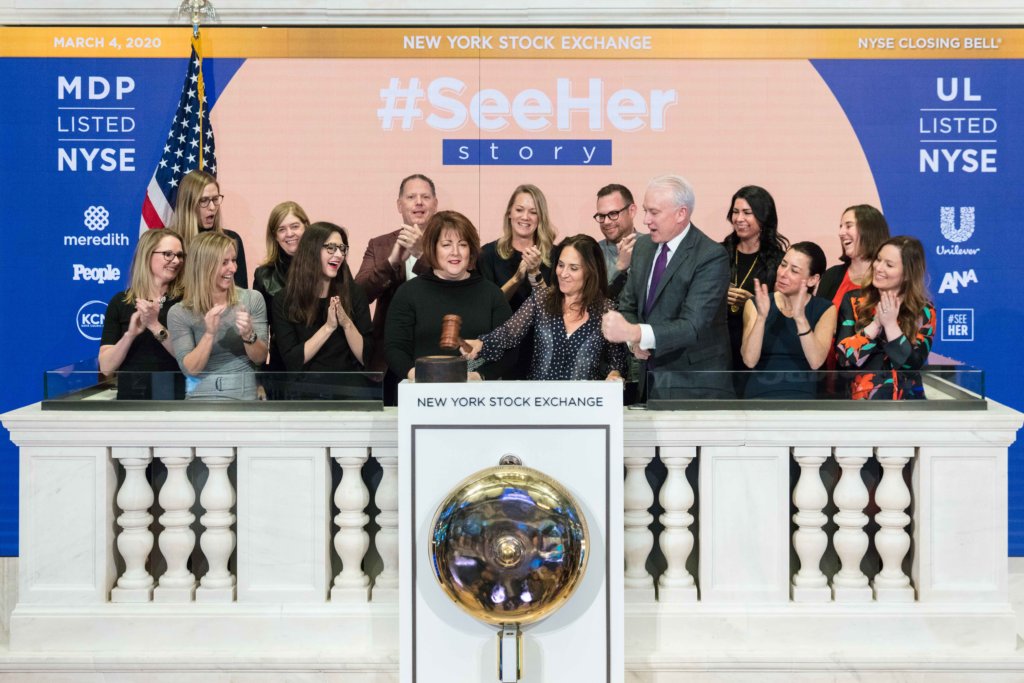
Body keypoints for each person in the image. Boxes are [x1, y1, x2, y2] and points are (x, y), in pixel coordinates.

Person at [601, 174, 733, 399]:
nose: (645, 220)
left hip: (695, 387)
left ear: (681, 213)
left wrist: (636, 332)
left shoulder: (711, 256)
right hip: (651, 383)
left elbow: (692, 326)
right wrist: (634, 343)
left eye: (654, 212)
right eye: (645, 211)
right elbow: (628, 305)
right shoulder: (643, 247)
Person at [464, 234, 627, 381]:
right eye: (561, 265)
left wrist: (614, 375)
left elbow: (617, 362)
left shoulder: (607, 310)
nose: (563, 273)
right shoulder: (542, 299)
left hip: (584, 406)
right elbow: (509, 333)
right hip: (540, 403)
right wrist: (481, 344)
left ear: (591, 271)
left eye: (574, 268)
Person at [385, 211, 514, 382]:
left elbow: (511, 350)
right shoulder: (408, 293)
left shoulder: (492, 294)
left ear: (471, 249)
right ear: (433, 248)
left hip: (477, 396)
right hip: (423, 394)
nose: (455, 252)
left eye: (462, 244)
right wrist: (415, 375)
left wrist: (479, 376)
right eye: (446, 245)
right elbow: (395, 348)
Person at [355, 174, 437, 401]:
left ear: (435, 204)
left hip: (437, 355)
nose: (418, 202)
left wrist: (422, 254)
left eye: (425, 197)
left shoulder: (449, 243)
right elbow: (359, 295)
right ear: (399, 205)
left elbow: (458, 289)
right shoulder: (380, 244)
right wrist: (391, 262)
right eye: (411, 197)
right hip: (388, 358)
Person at [272, 222, 373, 399]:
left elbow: (367, 357)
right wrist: (328, 327)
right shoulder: (285, 299)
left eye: (342, 248)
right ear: (311, 250)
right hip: (305, 393)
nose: (339, 254)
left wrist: (346, 323)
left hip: (350, 391)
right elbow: (292, 360)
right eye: (331, 248)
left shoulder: (354, 293)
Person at [168, 231, 268, 400]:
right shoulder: (179, 312)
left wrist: (249, 335)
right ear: (204, 266)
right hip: (200, 400)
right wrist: (209, 334)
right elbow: (190, 369)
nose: (234, 268)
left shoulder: (252, 299)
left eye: (234, 260)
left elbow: (260, 358)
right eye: (224, 262)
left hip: (245, 397)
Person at [836, 236, 935, 400]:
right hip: (862, 405)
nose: (878, 268)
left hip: (908, 406)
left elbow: (913, 364)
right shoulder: (854, 301)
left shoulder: (924, 309)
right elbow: (844, 359)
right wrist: (876, 325)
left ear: (907, 274)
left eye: (889, 265)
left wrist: (890, 325)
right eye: (878, 260)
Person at [478, 184, 557, 379]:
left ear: (541, 218)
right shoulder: (488, 254)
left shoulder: (555, 255)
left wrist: (535, 273)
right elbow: (487, 307)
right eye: (519, 210)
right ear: (509, 213)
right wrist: (517, 278)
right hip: (500, 350)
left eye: (533, 212)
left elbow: (555, 309)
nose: (525, 217)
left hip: (543, 348)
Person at [740, 242, 837, 399]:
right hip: (758, 398)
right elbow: (749, 360)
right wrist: (761, 318)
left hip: (801, 401)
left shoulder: (825, 309)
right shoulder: (756, 303)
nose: (783, 273)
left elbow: (816, 361)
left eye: (794, 270)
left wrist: (800, 317)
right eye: (783, 265)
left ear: (813, 279)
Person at [99, 228, 186, 399]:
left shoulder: (186, 301)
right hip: (130, 401)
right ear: (147, 255)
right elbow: (106, 367)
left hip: (173, 399)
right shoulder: (120, 302)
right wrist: (130, 335)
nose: (176, 261)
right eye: (168, 254)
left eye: (180, 255)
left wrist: (155, 326)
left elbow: (188, 360)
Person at [720, 186, 789, 385]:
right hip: (720, 350)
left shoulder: (779, 262)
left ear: (763, 216)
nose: (739, 218)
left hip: (760, 352)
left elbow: (785, 311)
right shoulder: (717, 254)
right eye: (735, 211)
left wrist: (752, 302)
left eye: (747, 213)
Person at [253, 201, 310, 385]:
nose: (290, 234)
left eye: (295, 226)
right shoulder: (264, 275)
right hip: (282, 366)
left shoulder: (326, 267)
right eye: (282, 229)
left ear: (306, 227)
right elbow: (260, 330)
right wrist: (259, 381)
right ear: (275, 236)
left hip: (322, 364)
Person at [170, 169, 248, 287]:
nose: (212, 207)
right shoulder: (171, 243)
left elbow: (242, 293)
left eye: (215, 199)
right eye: (204, 200)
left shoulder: (231, 239)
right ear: (188, 204)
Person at [818, 204, 890, 309]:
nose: (841, 233)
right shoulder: (832, 275)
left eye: (848, 226)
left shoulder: (890, 277)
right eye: (841, 227)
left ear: (869, 231)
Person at [594, 183, 639, 299]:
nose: (606, 222)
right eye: (601, 216)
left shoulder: (653, 247)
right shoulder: (592, 253)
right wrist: (620, 269)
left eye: (613, 214)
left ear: (632, 211)